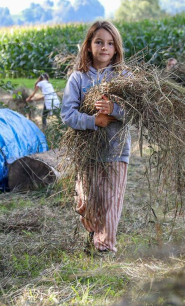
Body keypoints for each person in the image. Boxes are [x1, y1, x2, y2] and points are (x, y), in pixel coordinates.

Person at [61, 20, 130, 254]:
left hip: (116, 149)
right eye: (99, 42)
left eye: (110, 43)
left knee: (111, 201)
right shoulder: (78, 78)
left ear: (116, 48)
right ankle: (93, 230)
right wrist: (93, 121)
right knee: (87, 200)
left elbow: (137, 112)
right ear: (89, 45)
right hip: (88, 151)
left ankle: (104, 247)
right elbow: (67, 113)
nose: (104, 47)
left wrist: (114, 110)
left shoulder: (125, 77)